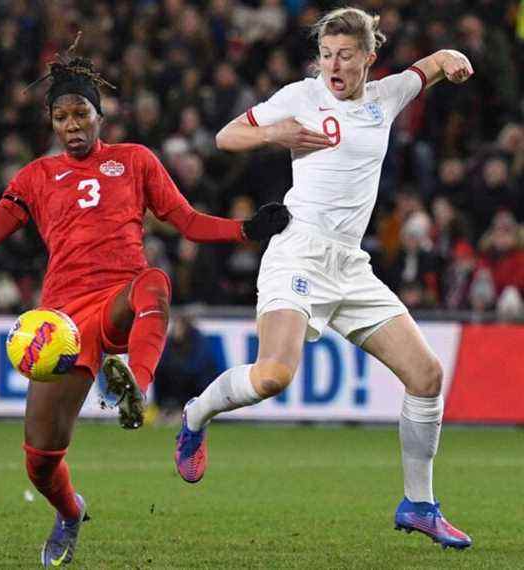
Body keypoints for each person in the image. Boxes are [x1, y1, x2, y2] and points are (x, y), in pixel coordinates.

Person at [0, 41, 291, 567]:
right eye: (61, 117)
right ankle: (69, 512)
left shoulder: (135, 161)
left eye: (81, 112)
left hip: (120, 301)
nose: (72, 124)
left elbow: (187, 221)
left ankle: (137, 389)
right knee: (40, 460)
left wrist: (246, 230)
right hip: (61, 325)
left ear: (100, 116)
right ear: (53, 123)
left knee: (154, 281)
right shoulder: (34, 178)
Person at [174, 7, 474, 550]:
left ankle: (419, 504)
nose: (334, 65)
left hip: (351, 266)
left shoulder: (385, 98)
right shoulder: (300, 97)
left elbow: (427, 68)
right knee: (273, 377)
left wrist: (453, 58)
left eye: (346, 55)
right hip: (298, 256)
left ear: (367, 58)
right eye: (327, 54)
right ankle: (197, 412)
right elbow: (224, 137)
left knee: (427, 376)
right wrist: (277, 132)